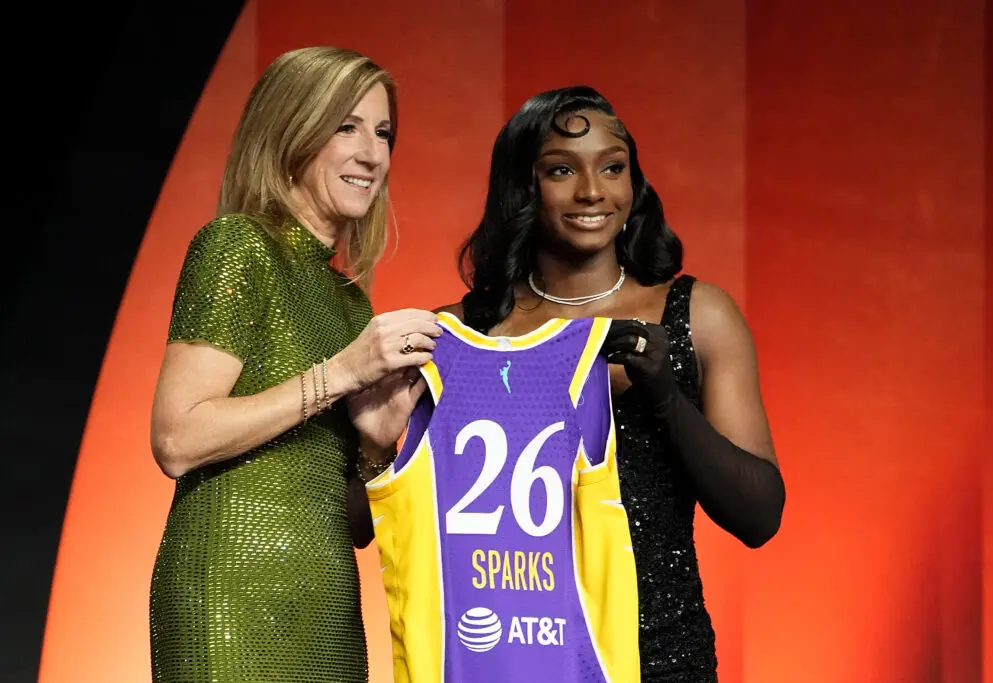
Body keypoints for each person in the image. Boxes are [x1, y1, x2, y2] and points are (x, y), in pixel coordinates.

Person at [434, 86, 787, 681]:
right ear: (522, 187)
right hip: (510, 653)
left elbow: (760, 517)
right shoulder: (464, 334)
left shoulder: (697, 314)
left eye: (612, 167)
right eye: (561, 170)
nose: (592, 191)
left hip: (660, 656)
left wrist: (666, 399)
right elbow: (387, 517)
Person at [148, 46, 440, 683]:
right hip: (227, 599)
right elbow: (176, 439)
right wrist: (340, 375)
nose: (372, 154)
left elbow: (353, 525)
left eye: (383, 133)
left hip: (327, 607)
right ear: (291, 131)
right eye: (346, 127)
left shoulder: (350, 302)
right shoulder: (237, 246)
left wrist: (376, 447)